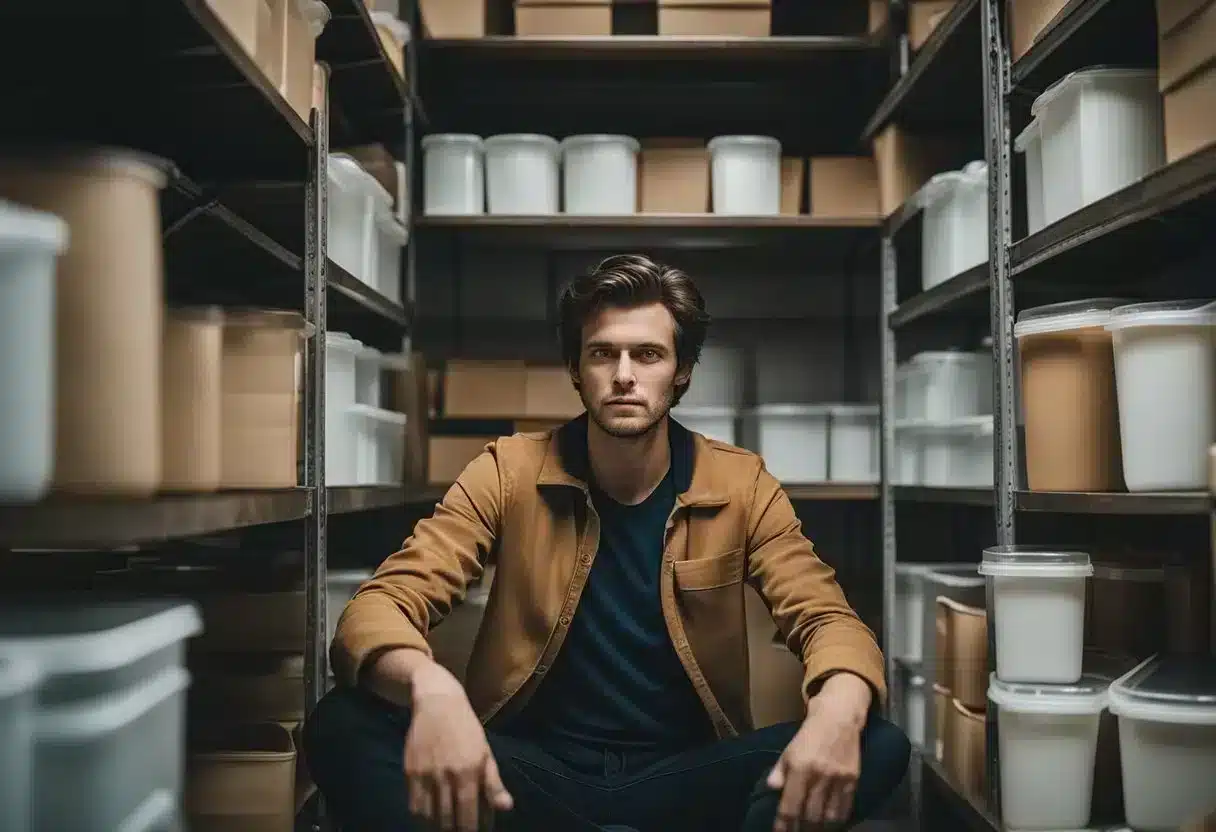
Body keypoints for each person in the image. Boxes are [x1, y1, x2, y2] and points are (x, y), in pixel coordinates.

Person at [305, 254, 910, 832]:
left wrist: (838, 706)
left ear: (682, 372)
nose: (624, 374)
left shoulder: (740, 483)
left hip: (685, 777)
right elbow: (378, 607)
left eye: (647, 354)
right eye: (603, 354)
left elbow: (828, 617)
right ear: (576, 369)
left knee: (876, 740)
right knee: (341, 723)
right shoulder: (508, 471)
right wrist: (432, 689)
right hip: (530, 775)